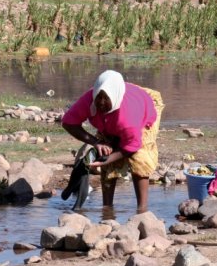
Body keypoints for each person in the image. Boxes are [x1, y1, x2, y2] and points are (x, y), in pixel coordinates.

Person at [62, 70, 164, 213]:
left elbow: (133, 145)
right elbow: (68, 122)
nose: (101, 103)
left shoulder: (128, 117)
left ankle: (142, 210)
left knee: (140, 157)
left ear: (115, 97)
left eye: (106, 98)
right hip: (117, 115)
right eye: (99, 97)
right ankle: (107, 208)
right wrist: (96, 142)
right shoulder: (89, 100)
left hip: (145, 105)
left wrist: (108, 159)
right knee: (105, 151)